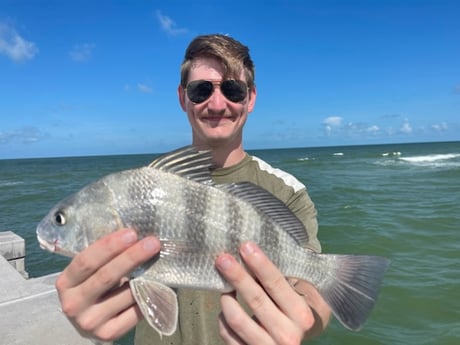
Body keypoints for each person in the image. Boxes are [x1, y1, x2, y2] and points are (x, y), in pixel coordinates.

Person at [55, 34, 331, 345]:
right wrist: (87, 311)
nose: (216, 104)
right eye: (201, 90)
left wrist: (305, 321)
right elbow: (111, 284)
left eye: (232, 90)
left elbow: (312, 285)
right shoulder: (142, 186)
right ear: (182, 97)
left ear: (250, 98)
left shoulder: (287, 191)